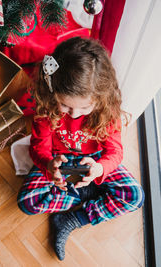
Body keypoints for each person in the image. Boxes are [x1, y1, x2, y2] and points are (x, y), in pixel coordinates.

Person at [17, 37, 145, 261]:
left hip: (94, 161)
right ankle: (92, 193)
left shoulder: (107, 111)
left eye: (84, 107)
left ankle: (73, 218)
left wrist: (99, 169)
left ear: (100, 97)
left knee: (135, 196)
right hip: (59, 159)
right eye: (65, 105)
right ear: (53, 91)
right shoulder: (46, 108)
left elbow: (114, 153)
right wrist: (49, 165)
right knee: (27, 202)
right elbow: (38, 146)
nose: (74, 115)